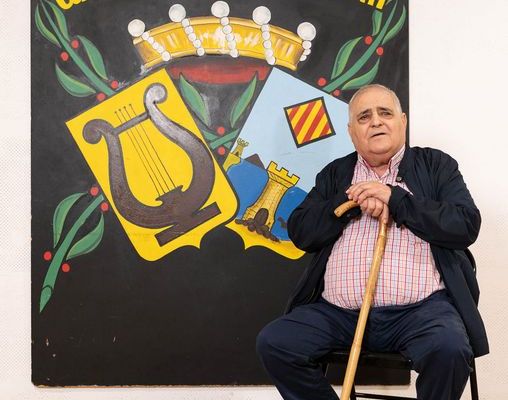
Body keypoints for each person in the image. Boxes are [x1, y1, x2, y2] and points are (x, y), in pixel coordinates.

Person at [256, 84, 488, 400]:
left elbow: (465, 224)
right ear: (352, 132)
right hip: (339, 314)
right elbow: (301, 232)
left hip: (421, 312)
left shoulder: (436, 165)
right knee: (277, 342)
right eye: (364, 117)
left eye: (385, 113)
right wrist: (351, 200)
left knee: (449, 348)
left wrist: (395, 199)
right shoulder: (335, 174)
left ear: (402, 122)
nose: (376, 121)